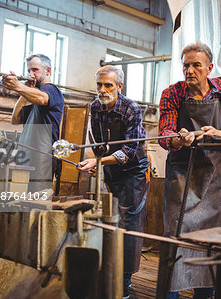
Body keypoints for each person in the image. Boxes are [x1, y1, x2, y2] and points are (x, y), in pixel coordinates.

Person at [158, 42, 221, 298]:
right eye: (186, 65)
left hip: (213, 180)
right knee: (175, 237)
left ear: (209, 68)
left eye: (196, 65)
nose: (189, 70)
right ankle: (170, 294)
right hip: (181, 177)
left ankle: (204, 294)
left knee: (209, 241)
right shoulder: (172, 94)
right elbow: (165, 136)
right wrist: (179, 137)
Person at [77, 65, 150, 298]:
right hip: (112, 170)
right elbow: (99, 143)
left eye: (108, 85)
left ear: (120, 86)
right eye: (99, 84)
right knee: (111, 220)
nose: (102, 89)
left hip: (134, 171)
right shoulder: (95, 106)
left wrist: (101, 163)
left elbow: (130, 149)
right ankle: (108, 274)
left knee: (128, 224)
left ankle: (124, 283)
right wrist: (98, 163)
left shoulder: (131, 108)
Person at [2, 54, 64, 192]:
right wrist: (23, 93)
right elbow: (15, 119)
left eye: (35, 70)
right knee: (22, 200)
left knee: (37, 201)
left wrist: (18, 86)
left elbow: (42, 99)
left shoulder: (51, 90)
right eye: (29, 70)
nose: (31, 74)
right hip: (26, 156)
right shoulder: (34, 98)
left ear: (47, 71)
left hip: (43, 157)